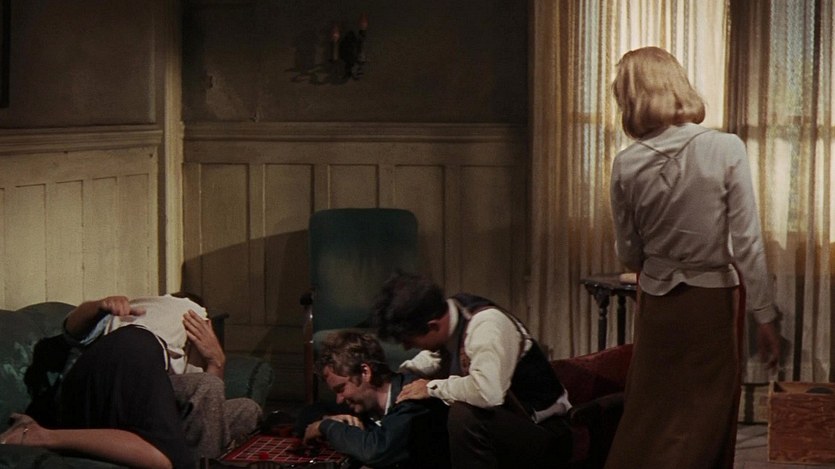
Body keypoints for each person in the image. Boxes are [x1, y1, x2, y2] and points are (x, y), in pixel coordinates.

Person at [604, 46, 781, 469]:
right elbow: (747, 241)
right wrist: (764, 314)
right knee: (704, 415)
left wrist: (656, 262)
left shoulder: (626, 163)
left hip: (657, 303)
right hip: (710, 301)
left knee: (649, 413)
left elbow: (628, 251)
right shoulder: (726, 148)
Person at [0, 293, 262, 469]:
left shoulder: (179, 352)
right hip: (112, 373)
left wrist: (216, 361)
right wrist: (99, 305)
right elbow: (72, 331)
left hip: (144, 392)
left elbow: (209, 404)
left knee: (247, 409)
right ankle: (42, 435)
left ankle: (200, 459)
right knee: (167, 456)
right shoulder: (137, 316)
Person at [372, 272, 572, 469]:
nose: (407, 347)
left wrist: (431, 388)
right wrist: (403, 377)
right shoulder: (451, 318)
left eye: (409, 340)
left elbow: (488, 393)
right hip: (506, 427)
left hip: (546, 432)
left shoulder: (487, 325)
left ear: (433, 326)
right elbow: (435, 358)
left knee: (465, 415)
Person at [300, 331, 450, 469]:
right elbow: (306, 414)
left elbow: (377, 450)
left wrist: (326, 426)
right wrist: (327, 418)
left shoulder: (413, 400)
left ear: (365, 372)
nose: (339, 399)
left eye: (341, 389)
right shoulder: (363, 403)